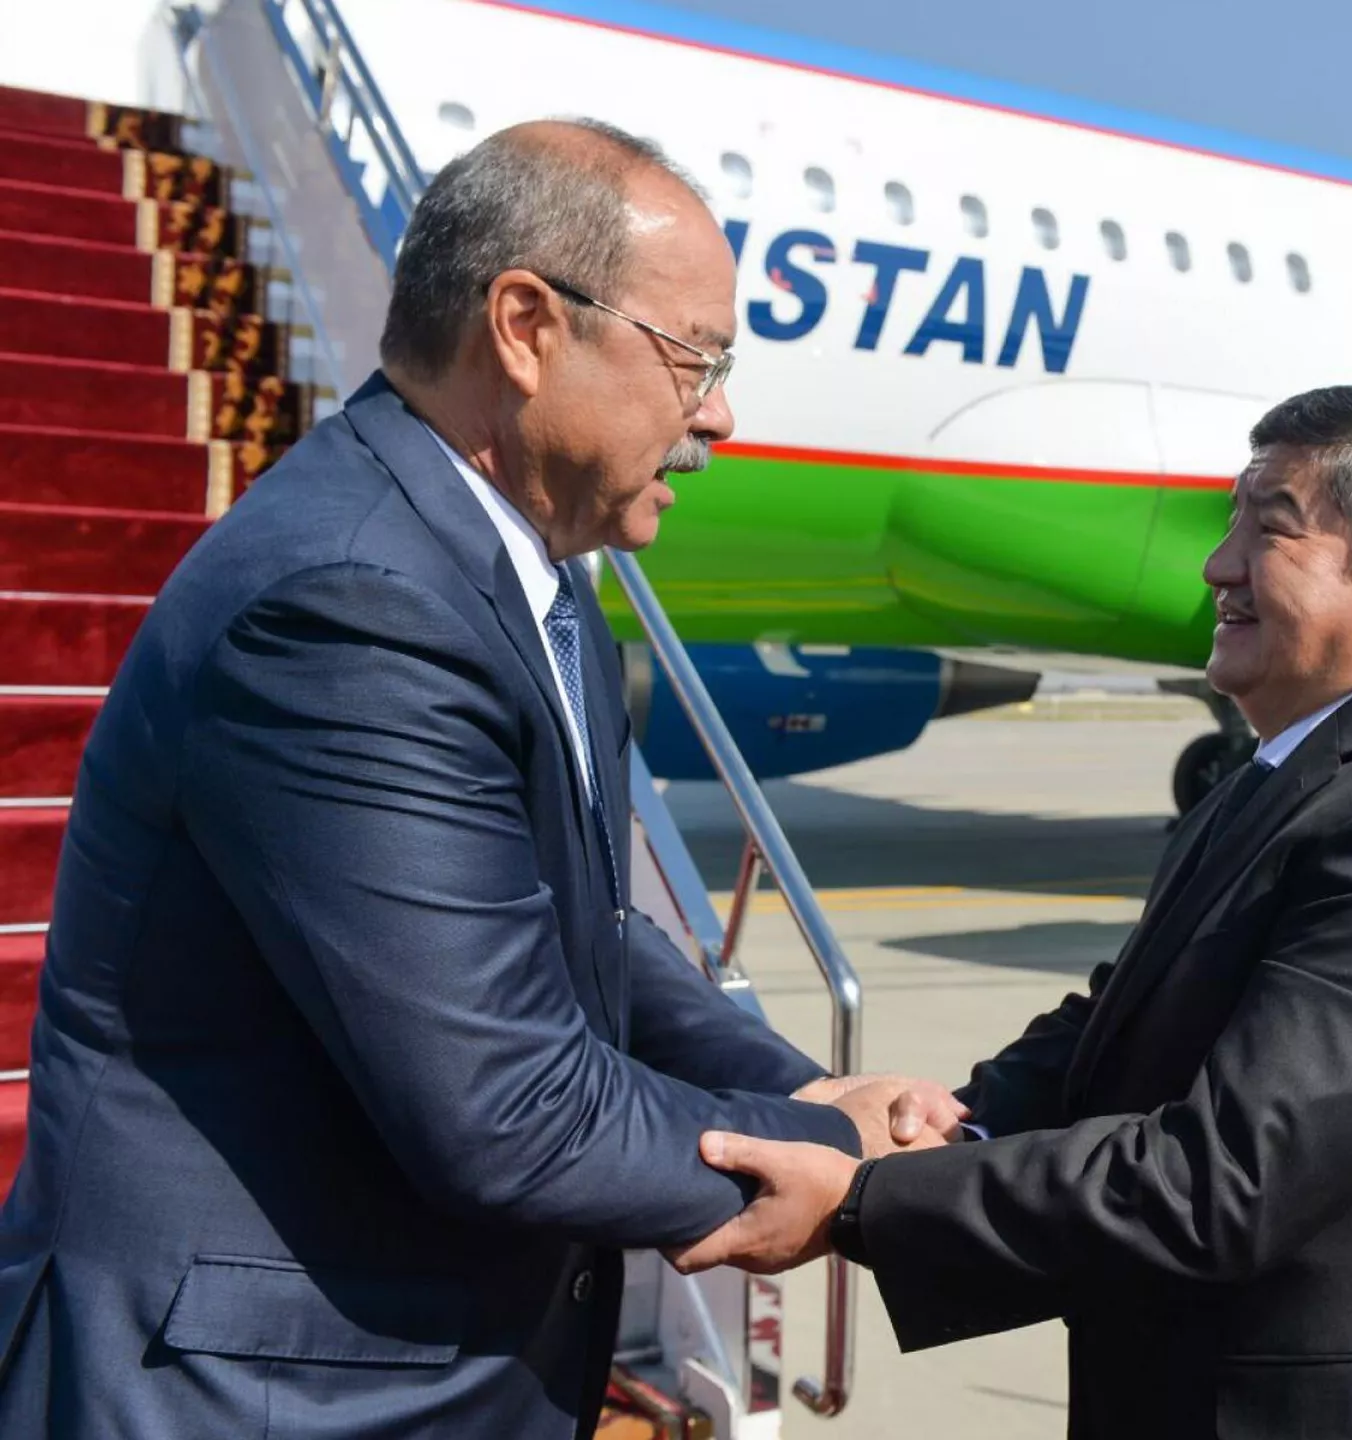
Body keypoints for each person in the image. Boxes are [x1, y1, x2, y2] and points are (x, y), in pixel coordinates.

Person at [0, 120, 957, 1440]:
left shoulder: (528, 586)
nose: (719, 415)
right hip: (261, 1395)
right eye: (695, 359)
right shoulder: (352, 604)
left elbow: (581, 935)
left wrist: (801, 1092)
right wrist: (843, 1159)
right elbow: (507, 1105)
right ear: (525, 327)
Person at [671, 384, 1352, 1440]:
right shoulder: (1295, 775)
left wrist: (862, 1202)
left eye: (1271, 531)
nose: (1217, 567)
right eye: (1230, 523)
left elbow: (1228, 1178)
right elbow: (1127, 1020)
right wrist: (960, 1120)